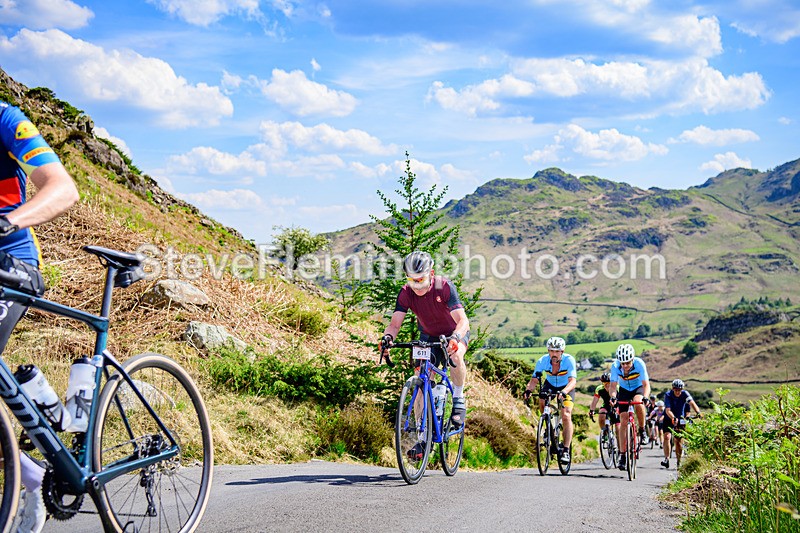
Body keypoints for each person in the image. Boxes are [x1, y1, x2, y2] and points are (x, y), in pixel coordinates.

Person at [0, 100, 80, 532]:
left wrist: (10, 222)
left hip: (11, 265)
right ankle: (31, 477)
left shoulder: (6, 119)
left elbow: (62, 189)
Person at [380, 251, 470, 459]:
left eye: (420, 279)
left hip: (454, 333)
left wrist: (455, 337)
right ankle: (422, 436)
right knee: (422, 380)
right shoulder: (406, 292)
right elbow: (394, 324)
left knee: (456, 357)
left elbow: (463, 320)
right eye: (412, 280)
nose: (417, 286)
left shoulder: (443, 286)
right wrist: (387, 338)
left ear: (431, 273)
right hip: (428, 336)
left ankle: (458, 398)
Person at [523, 336, 577, 464]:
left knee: (566, 415)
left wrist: (564, 392)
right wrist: (529, 390)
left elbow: (573, 381)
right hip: (550, 385)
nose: (554, 354)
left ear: (562, 352)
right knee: (542, 400)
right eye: (551, 351)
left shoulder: (569, 360)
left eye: (557, 351)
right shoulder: (542, 361)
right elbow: (534, 380)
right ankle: (548, 424)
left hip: (566, 387)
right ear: (548, 351)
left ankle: (565, 450)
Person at [608, 343, 651, 471]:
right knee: (623, 420)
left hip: (638, 388)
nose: (625, 366)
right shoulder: (615, 366)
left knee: (638, 402)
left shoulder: (639, 364)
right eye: (623, 363)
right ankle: (622, 455)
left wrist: (646, 397)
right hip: (624, 390)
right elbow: (613, 386)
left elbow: (646, 385)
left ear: (632, 359)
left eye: (628, 363)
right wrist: (613, 397)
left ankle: (643, 430)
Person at [661, 379, 702, 469]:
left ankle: (678, 460)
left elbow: (692, 403)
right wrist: (673, 418)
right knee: (667, 437)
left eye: (679, 390)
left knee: (678, 441)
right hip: (669, 417)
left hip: (680, 419)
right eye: (676, 390)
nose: (678, 392)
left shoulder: (685, 394)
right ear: (672, 389)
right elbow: (668, 410)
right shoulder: (668, 395)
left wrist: (698, 412)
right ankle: (666, 459)